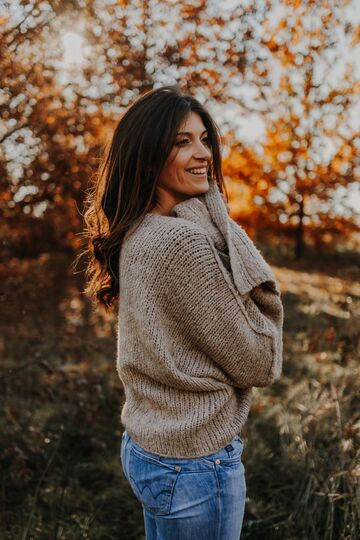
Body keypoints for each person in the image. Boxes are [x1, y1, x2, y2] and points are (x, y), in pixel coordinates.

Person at [82, 85, 284, 539]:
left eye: (205, 139)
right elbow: (261, 359)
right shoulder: (182, 243)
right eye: (182, 142)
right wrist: (215, 217)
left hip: (150, 448)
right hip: (194, 463)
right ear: (148, 154)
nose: (203, 154)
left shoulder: (139, 232)